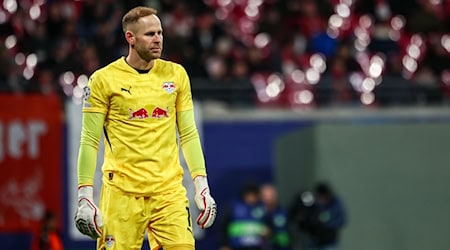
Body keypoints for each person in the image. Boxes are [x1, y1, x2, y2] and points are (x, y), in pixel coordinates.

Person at [74, 6, 217, 250]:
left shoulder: (177, 74)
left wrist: (202, 187)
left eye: (160, 33)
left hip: (168, 192)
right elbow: (89, 140)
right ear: (130, 38)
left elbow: (189, 134)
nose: (158, 39)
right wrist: (84, 197)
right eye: (150, 34)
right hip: (121, 194)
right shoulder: (103, 80)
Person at [291, 183, 346, 250]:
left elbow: (341, 220)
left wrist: (322, 222)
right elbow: (296, 211)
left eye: (323, 198)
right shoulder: (312, 203)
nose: (320, 200)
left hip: (329, 243)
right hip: (314, 242)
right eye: (319, 197)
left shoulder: (334, 204)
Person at [220, 182, 268, 250]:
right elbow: (223, 226)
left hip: (256, 247)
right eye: (249, 195)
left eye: (254, 195)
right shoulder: (234, 207)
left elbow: (269, 225)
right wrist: (224, 245)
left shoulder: (262, 208)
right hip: (237, 247)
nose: (252, 198)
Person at [260, 184, 290, 250]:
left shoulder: (284, 213)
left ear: (275, 196)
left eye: (271, 195)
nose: (268, 198)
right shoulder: (257, 215)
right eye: (265, 196)